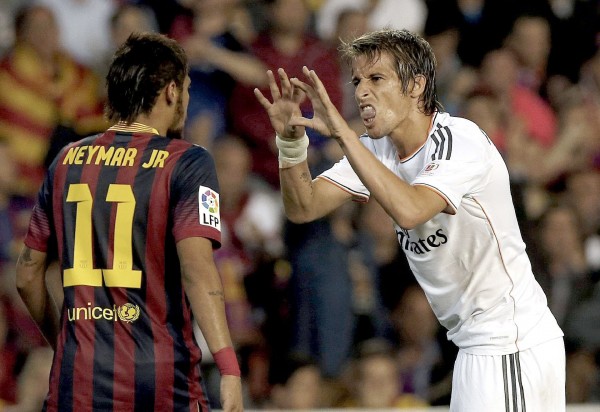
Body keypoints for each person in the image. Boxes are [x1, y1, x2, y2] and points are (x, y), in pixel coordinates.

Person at [254, 28, 565, 411]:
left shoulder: (458, 140)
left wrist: (341, 133)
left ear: (416, 86)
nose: (361, 92)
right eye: (357, 81)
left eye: (376, 79)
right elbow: (304, 207)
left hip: (513, 342)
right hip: (476, 345)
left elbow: (411, 208)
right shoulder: (376, 149)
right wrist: (290, 143)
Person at [14, 32, 243, 412]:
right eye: (185, 88)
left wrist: (67, 344)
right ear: (171, 91)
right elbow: (198, 270)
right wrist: (229, 368)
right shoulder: (187, 161)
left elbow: (26, 275)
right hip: (160, 380)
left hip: (79, 378)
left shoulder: (66, 160)